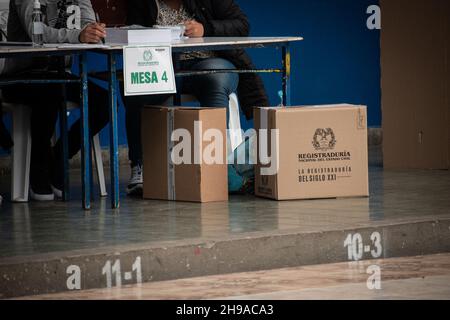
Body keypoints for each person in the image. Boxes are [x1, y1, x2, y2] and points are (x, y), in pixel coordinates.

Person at [124, 0, 269, 195]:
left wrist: (205, 29)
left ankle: (214, 164)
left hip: (207, 61)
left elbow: (242, 25)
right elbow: (132, 36)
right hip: (162, 68)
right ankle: (142, 167)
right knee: (134, 84)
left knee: (216, 77)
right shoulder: (143, 4)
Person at [2, 0, 109, 201]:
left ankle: (59, 156)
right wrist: (78, 35)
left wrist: (94, 31)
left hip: (59, 73)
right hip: (20, 77)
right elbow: (37, 33)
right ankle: (38, 164)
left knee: (103, 101)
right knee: (50, 91)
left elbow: (88, 24)